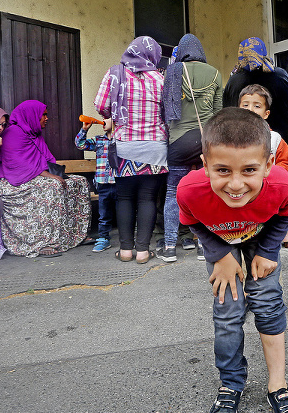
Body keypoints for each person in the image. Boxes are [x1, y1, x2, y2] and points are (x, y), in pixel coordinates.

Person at [177, 107, 288, 413]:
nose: (236, 184)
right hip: (221, 242)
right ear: (205, 165)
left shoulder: (282, 185)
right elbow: (191, 221)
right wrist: (220, 254)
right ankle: (231, 384)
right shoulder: (190, 190)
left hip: (260, 237)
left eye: (249, 170)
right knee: (227, 311)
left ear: (268, 165)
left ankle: (278, 386)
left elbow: (285, 214)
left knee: (267, 302)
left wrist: (267, 251)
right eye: (223, 170)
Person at [0, 100, 91, 257]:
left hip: (36, 176)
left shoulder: (34, 134)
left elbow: (45, 160)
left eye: (46, 115)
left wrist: (54, 175)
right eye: (43, 115)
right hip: (16, 181)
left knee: (80, 182)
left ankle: (75, 235)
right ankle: (47, 242)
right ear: (31, 116)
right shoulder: (12, 134)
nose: (46, 118)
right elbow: (19, 165)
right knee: (54, 186)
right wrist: (50, 176)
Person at [103, 36, 168, 264]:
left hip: (125, 146)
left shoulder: (115, 73)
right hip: (155, 147)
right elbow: (169, 112)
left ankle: (125, 250)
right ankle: (142, 251)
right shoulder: (160, 78)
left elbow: (102, 105)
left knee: (124, 197)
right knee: (148, 198)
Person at [158, 33, 223, 263]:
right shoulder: (215, 73)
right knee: (204, 191)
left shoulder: (173, 72)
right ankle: (202, 246)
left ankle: (168, 247)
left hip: (178, 142)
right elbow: (218, 114)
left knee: (173, 193)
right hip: (206, 142)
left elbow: (165, 111)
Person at [237, 84, 288, 248]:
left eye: (256, 106)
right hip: (240, 195)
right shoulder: (230, 138)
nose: (250, 109)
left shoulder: (274, 138)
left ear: (266, 113)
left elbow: (286, 161)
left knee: (265, 239)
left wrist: (273, 178)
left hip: (266, 195)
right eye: (245, 105)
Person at [222, 37, 288, 154]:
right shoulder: (280, 75)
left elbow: (227, 112)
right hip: (283, 142)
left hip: (246, 144)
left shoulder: (233, 81)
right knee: (283, 171)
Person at [75, 118, 117, 253]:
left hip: (120, 182)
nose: (103, 120)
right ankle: (104, 238)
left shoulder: (122, 139)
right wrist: (85, 129)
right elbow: (80, 145)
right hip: (103, 183)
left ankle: (129, 239)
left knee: (125, 211)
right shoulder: (99, 140)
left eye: (106, 118)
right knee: (103, 214)